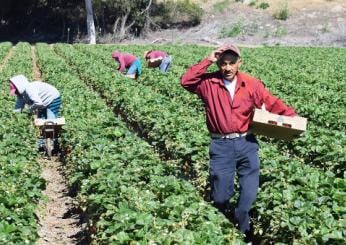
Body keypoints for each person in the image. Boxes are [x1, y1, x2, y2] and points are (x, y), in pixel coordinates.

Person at [180, 44, 297, 237]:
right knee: (220, 197)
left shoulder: (251, 84)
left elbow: (272, 102)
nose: (227, 68)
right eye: (223, 63)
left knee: (247, 200)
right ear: (218, 63)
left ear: (239, 63)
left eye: (232, 63)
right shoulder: (208, 84)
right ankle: (221, 228)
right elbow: (186, 81)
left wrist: (294, 120)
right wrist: (208, 60)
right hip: (221, 146)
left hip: (246, 144)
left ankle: (244, 234)